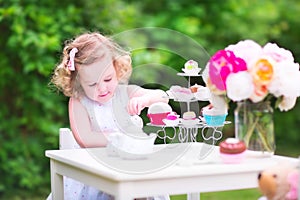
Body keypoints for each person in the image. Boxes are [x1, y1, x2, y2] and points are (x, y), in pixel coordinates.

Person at [48, 32, 170, 200]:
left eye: (107, 79)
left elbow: (162, 95)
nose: (102, 89)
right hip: (94, 173)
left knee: (143, 185)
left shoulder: (123, 93)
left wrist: (145, 99)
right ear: (78, 82)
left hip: (131, 168)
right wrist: (121, 139)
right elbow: (86, 138)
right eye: (92, 84)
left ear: (117, 68)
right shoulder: (79, 101)